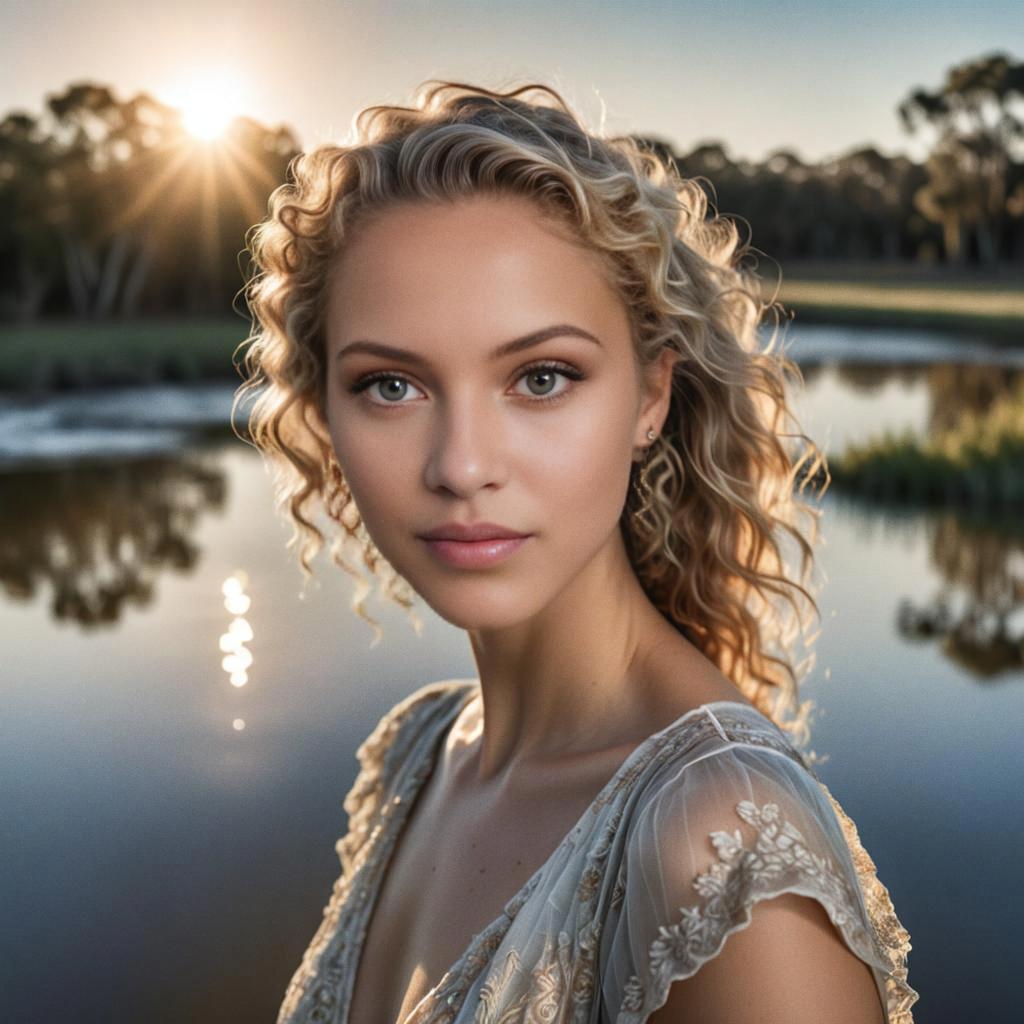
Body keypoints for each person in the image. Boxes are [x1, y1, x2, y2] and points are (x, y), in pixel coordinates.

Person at [236, 80, 918, 1024]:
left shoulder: (720, 839)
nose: (462, 465)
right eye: (391, 385)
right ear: (324, 415)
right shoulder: (421, 753)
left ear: (650, 397)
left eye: (541, 377)